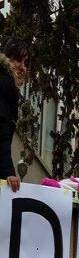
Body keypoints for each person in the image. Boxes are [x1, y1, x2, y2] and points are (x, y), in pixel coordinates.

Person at [0, 39, 28, 192]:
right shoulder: (5, 86)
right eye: (19, 61)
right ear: (8, 59)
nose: (24, 68)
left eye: (25, 62)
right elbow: (2, 132)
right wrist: (8, 172)